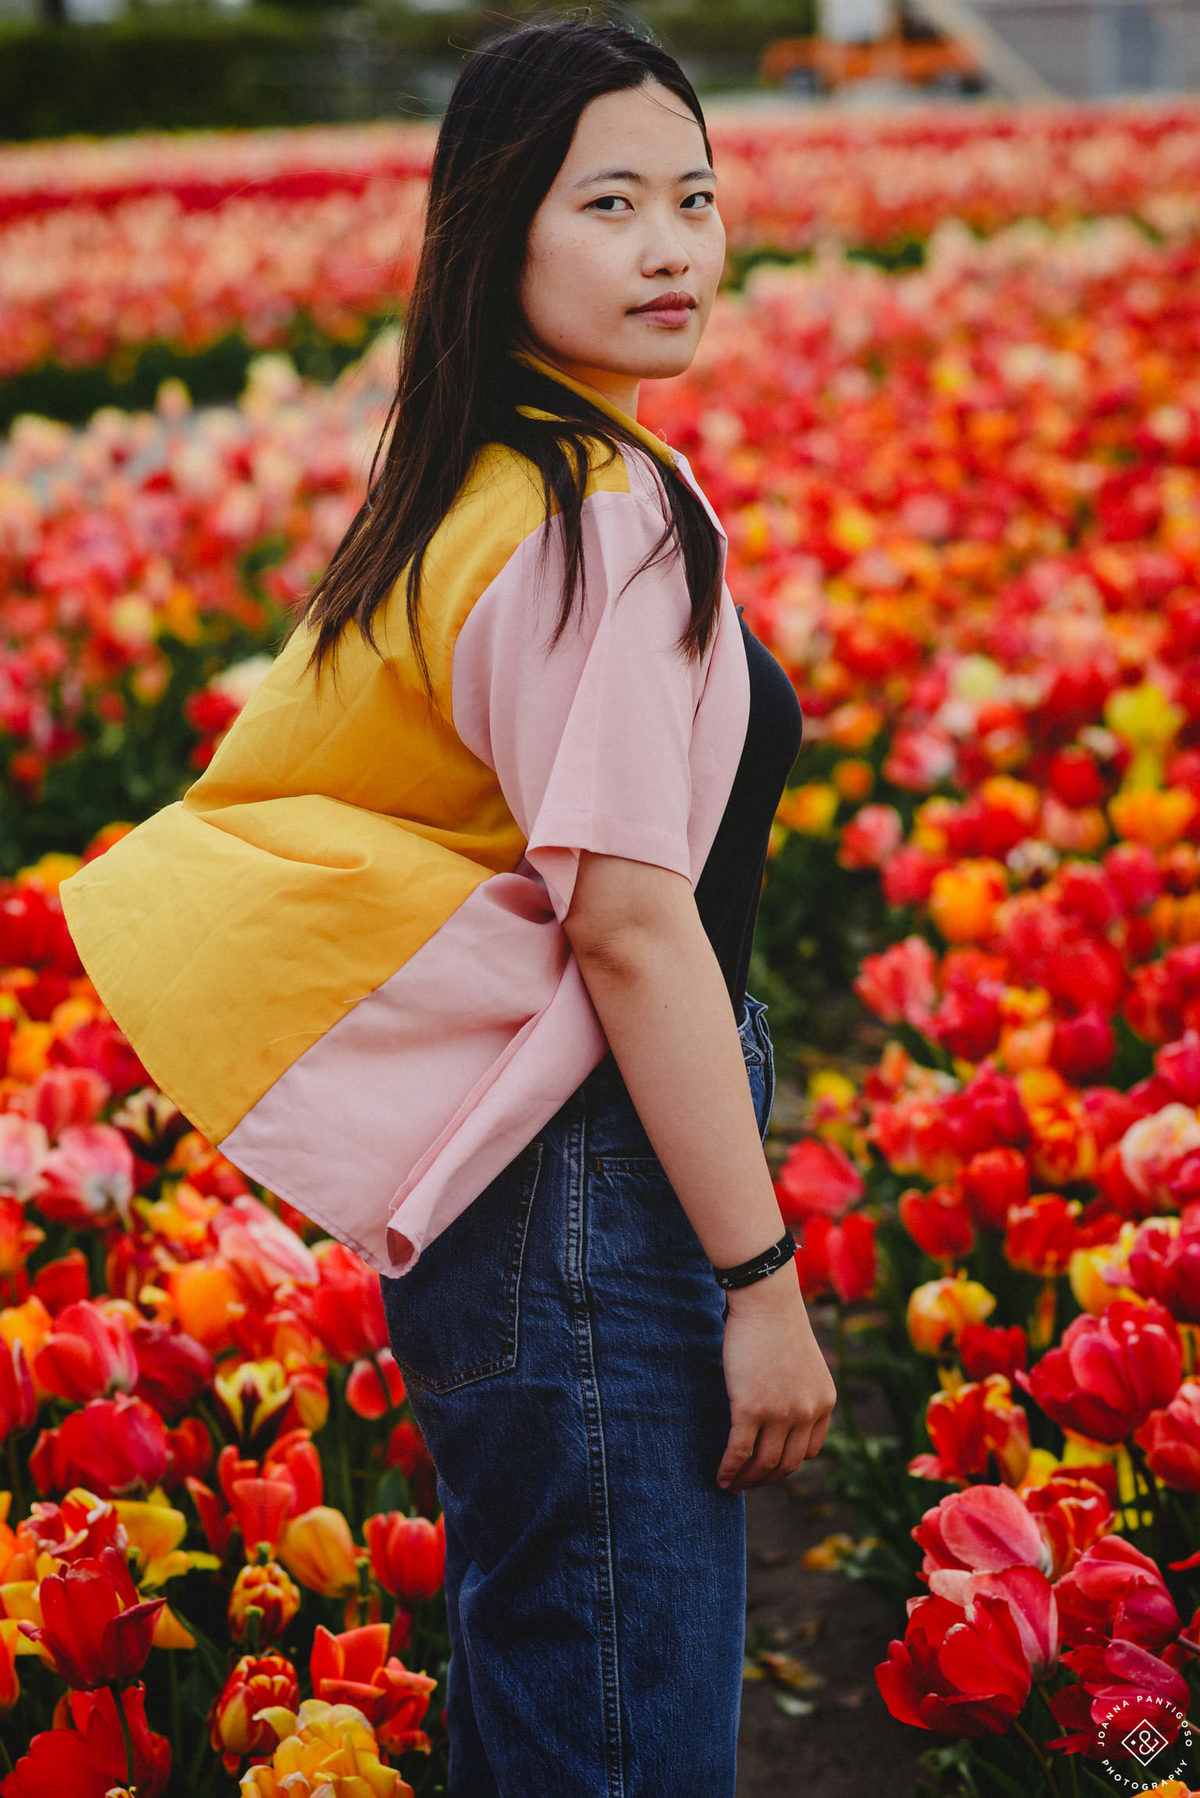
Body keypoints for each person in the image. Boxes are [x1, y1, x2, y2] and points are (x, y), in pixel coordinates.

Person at [58, 15, 837, 1796]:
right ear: (499, 235)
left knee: (538, 1702)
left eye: (697, 198)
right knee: (617, 1742)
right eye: (612, 201)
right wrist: (763, 1276)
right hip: (594, 1188)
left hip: (509, 1207)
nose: (672, 246)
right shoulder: (592, 517)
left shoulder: (475, 484)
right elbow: (635, 929)